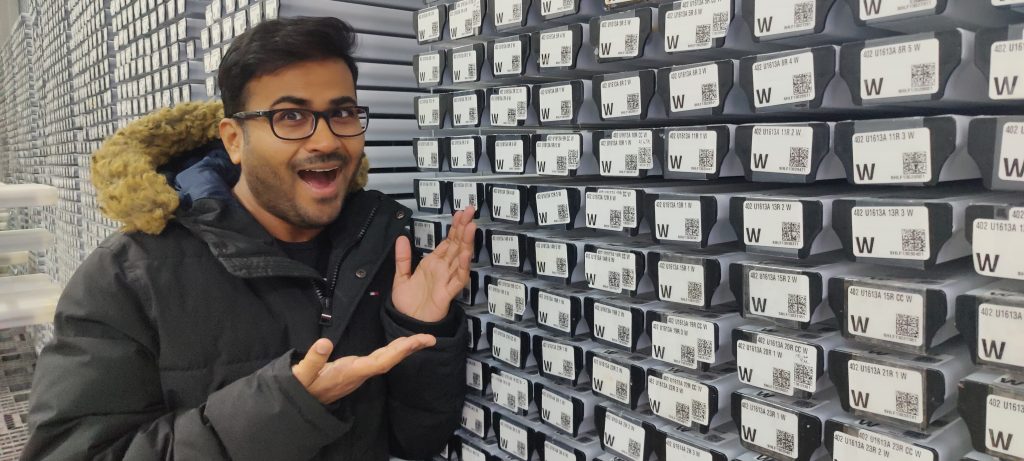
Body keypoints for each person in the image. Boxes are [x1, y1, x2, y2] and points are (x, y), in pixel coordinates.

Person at [22, 17, 474, 460]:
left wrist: (418, 329)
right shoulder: (126, 278)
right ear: (234, 140)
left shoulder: (377, 247)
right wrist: (286, 408)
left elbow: (413, 441)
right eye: (290, 116)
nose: (326, 140)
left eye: (342, 113)